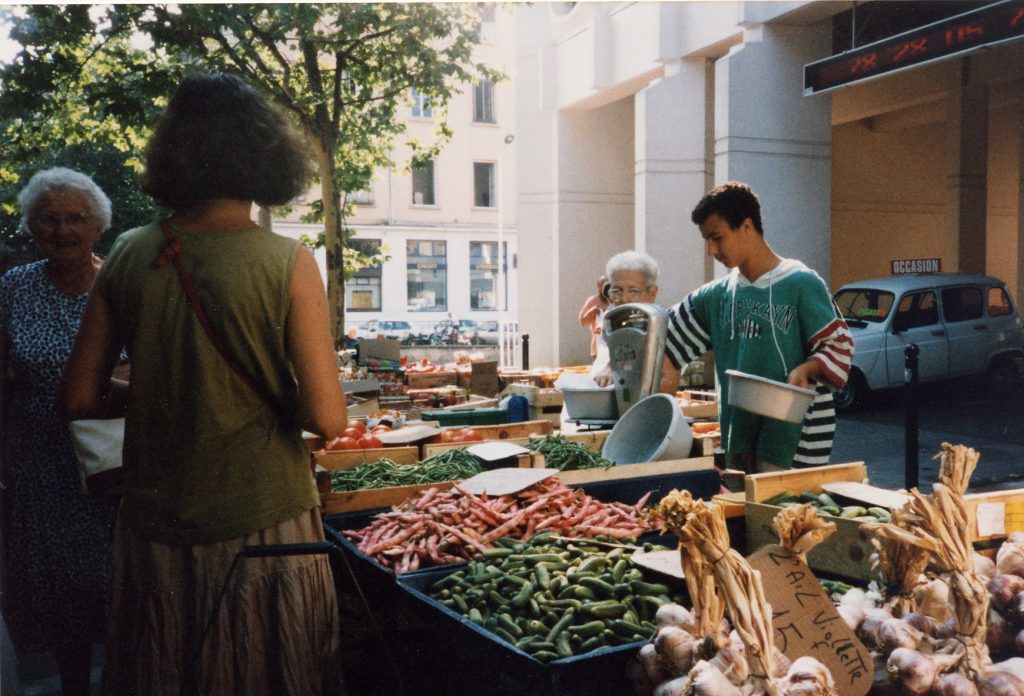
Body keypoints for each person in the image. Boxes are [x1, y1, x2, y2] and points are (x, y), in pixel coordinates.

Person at [58, 73, 348, 695]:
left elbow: (78, 398)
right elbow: (329, 420)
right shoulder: (287, 262)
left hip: (154, 521)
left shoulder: (131, 253)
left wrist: (163, 390)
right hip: (264, 518)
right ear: (266, 156)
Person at [0, 167, 118, 696]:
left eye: (76, 218)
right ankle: (73, 688)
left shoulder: (122, 281)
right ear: (32, 227)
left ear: (98, 226)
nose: (63, 229)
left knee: (117, 587)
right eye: (49, 219)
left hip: (113, 462)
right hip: (41, 464)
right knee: (61, 594)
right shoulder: (13, 287)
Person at [659, 182, 853, 472]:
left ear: (747, 226)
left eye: (717, 237)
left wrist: (806, 369)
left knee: (790, 514)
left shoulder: (802, 283)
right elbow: (661, 338)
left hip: (800, 442)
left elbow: (839, 347)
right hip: (739, 437)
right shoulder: (715, 296)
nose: (712, 250)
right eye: (706, 240)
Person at [592, 251, 660, 387]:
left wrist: (612, 367)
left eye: (633, 291)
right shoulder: (612, 318)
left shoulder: (658, 321)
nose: (624, 299)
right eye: (617, 290)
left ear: (652, 293)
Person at [578, 275, 610, 358]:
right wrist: (590, 312)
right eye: (602, 286)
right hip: (597, 348)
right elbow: (582, 322)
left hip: (612, 348)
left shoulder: (615, 301)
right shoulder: (592, 301)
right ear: (598, 287)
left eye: (607, 286)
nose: (605, 290)